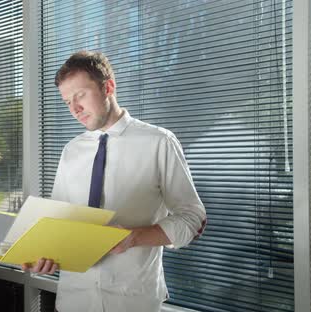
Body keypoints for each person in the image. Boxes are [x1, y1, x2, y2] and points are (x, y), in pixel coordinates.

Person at [21, 51, 207, 312]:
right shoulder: (70, 152)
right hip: (74, 301)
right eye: (67, 102)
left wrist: (134, 237)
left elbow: (192, 218)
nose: (74, 109)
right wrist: (44, 254)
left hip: (132, 301)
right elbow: (59, 224)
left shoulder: (159, 142)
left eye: (80, 95)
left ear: (108, 86)